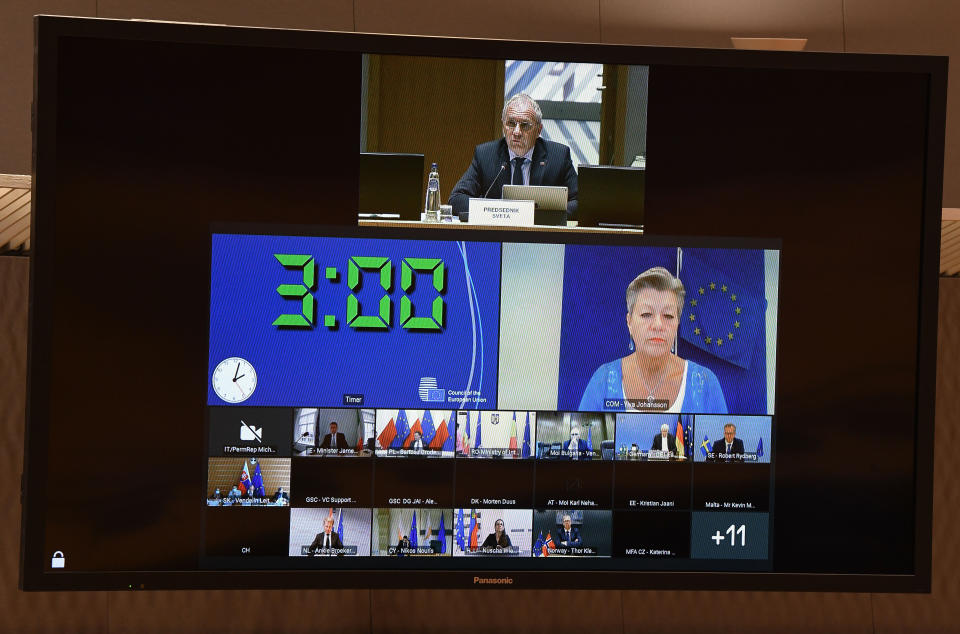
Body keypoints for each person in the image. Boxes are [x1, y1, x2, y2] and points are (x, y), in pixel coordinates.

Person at [578, 267, 728, 413]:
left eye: (668, 316)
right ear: (629, 322)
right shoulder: (603, 381)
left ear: (677, 323)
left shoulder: (705, 383)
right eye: (646, 314)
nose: (658, 325)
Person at [449, 93, 578, 221]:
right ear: (503, 126)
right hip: (497, 235)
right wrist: (500, 211)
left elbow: (580, 202)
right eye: (511, 123)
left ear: (539, 130)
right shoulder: (486, 155)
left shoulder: (558, 156)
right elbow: (456, 199)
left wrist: (538, 216)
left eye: (525, 125)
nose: (516, 132)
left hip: (542, 237)